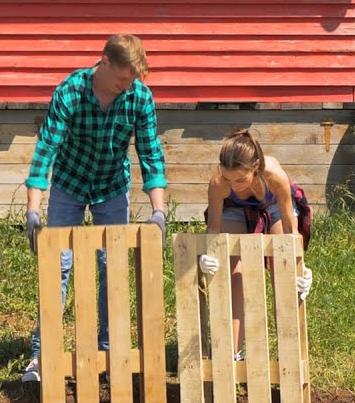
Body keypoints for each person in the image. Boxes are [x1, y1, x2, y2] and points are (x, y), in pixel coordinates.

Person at [21, 33, 168, 383]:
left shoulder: (139, 97)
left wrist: (159, 212)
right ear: (104, 62)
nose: (126, 86)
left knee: (111, 266)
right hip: (69, 183)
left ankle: (109, 352)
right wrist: (33, 211)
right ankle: (42, 354)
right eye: (121, 79)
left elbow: (150, 154)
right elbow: (46, 150)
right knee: (57, 265)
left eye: (131, 80)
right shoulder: (70, 92)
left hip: (111, 187)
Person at [196, 129, 315, 357]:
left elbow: (291, 232)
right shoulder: (219, 183)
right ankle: (233, 353)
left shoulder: (274, 176)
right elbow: (213, 231)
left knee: (283, 269)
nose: (234, 186)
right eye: (228, 179)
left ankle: (288, 352)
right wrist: (207, 256)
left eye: (240, 179)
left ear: (256, 167)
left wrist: (301, 267)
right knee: (233, 272)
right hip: (235, 209)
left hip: (273, 206)